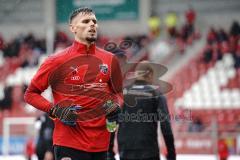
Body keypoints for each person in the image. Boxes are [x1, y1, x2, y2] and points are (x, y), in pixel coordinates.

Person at [24, 7, 123, 160]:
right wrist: (56, 110)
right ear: (73, 28)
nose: (92, 25)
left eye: (94, 22)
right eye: (86, 21)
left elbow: (118, 95)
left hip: (101, 145)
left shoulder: (111, 60)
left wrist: (115, 107)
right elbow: (30, 94)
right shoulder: (56, 61)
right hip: (68, 144)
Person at [117, 61, 176, 160]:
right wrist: (171, 153)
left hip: (125, 150)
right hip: (148, 150)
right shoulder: (157, 94)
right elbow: (165, 125)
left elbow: (111, 120)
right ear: (150, 75)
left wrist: (109, 151)